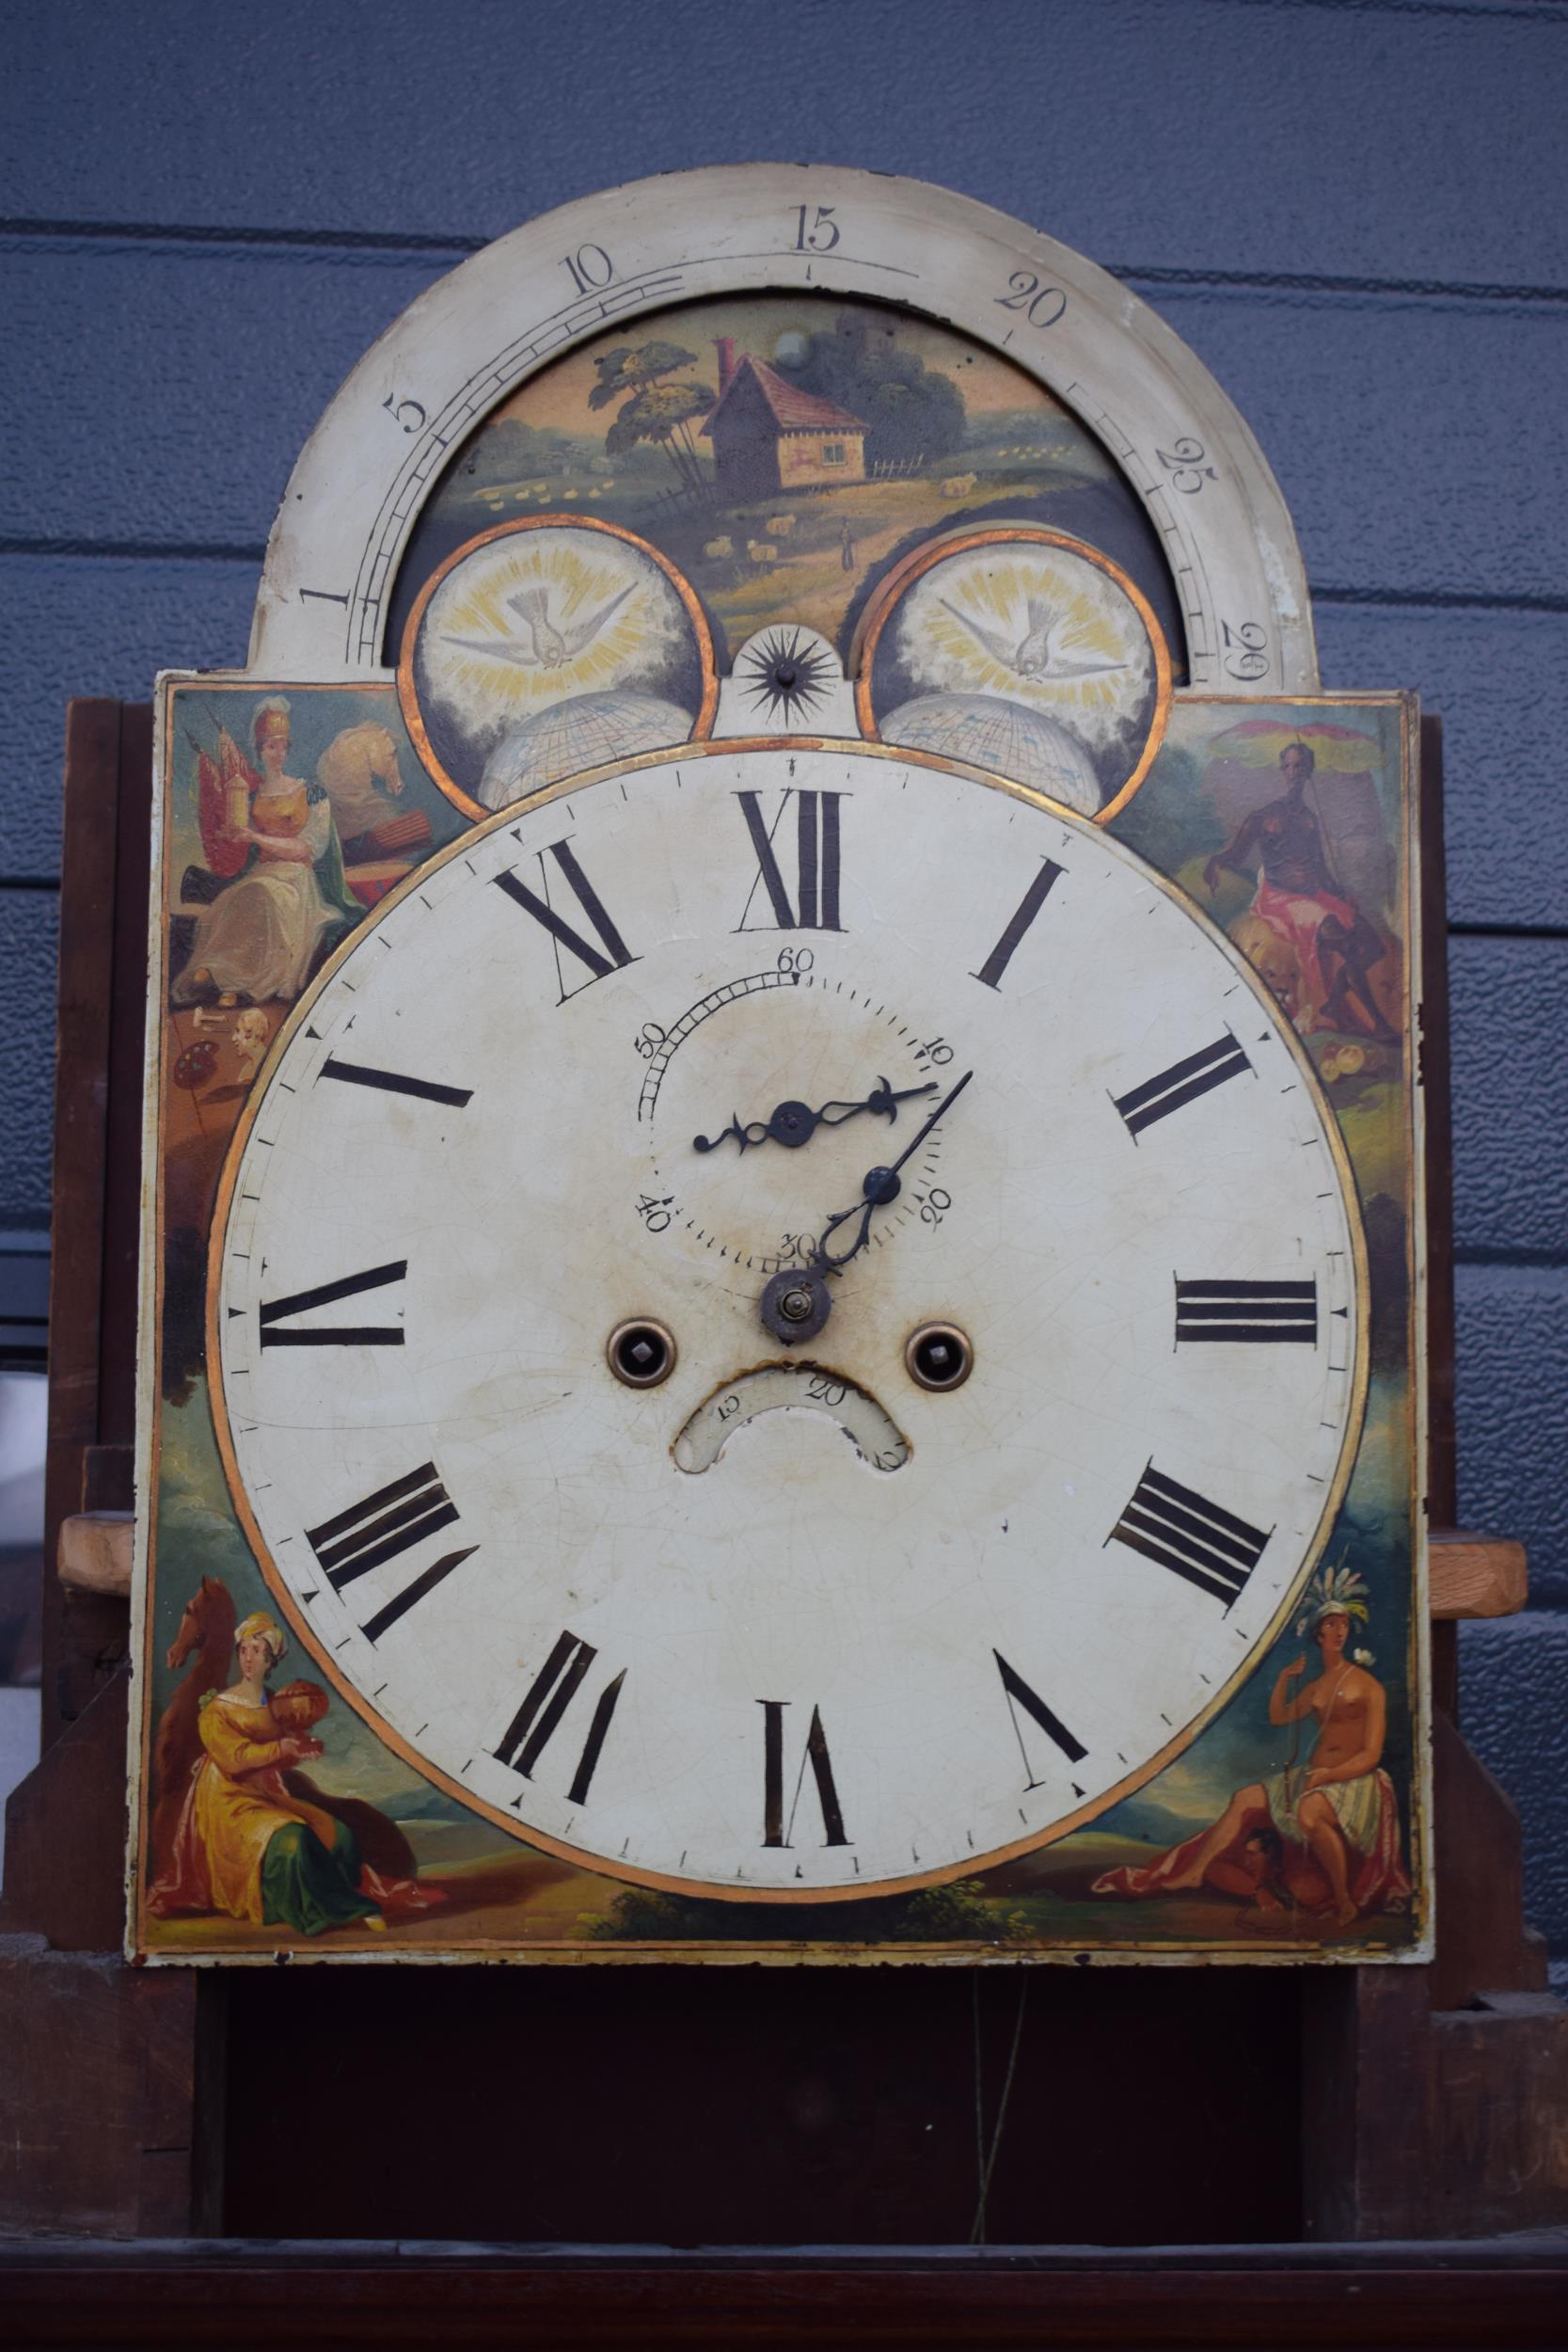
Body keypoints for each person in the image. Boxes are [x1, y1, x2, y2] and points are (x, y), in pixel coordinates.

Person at [1092, 1566, 1411, 1929]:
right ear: (1319, 1632)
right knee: (1244, 1798)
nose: (1339, 1631)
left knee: (1309, 1813)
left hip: (1355, 1781)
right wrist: (1282, 1679)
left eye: (1343, 1625)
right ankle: (1195, 1872)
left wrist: (1331, 1774)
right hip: (1314, 1776)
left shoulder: (1368, 1686)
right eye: (1332, 1625)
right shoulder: (1317, 1687)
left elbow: (1370, 1754)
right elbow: (1280, 1716)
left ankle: (1343, 1899)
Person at [149, 1610, 434, 1935]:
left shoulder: (275, 1703)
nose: (248, 1658)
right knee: (294, 1841)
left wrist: (300, 1747)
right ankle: (337, 1909)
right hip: (227, 1804)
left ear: (271, 1659)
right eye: (244, 1650)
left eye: (257, 1651)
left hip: (268, 1794)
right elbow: (234, 1759)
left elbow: (279, 1754)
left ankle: (337, 1893)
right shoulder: (218, 1709)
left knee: (336, 1834)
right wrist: (282, 1749)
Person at [1202, 741, 1397, 1041]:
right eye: (1289, 766)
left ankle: (1333, 1003)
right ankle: (1380, 1027)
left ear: (1309, 771)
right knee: (1343, 940)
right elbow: (1236, 854)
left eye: (1300, 766)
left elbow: (1319, 868)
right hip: (1281, 899)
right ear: (1283, 771)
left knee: (1372, 946)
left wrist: (1341, 896)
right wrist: (1216, 861)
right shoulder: (1264, 816)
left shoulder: (1309, 819)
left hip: (1315, 894)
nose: (1294, 772)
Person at [174, 699, 358, 1007]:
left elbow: (307, 847)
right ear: (260, 750)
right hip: (263, 872)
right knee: (234, 899)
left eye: (283, 746)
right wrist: (232, 835)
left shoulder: (310, 792)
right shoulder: (252, 794)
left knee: (263, 894)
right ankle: (221, 977)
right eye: (271, 747)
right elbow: (241, 840)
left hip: (296, 879)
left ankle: (238, 982)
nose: (278, 753)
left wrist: (254, 836)